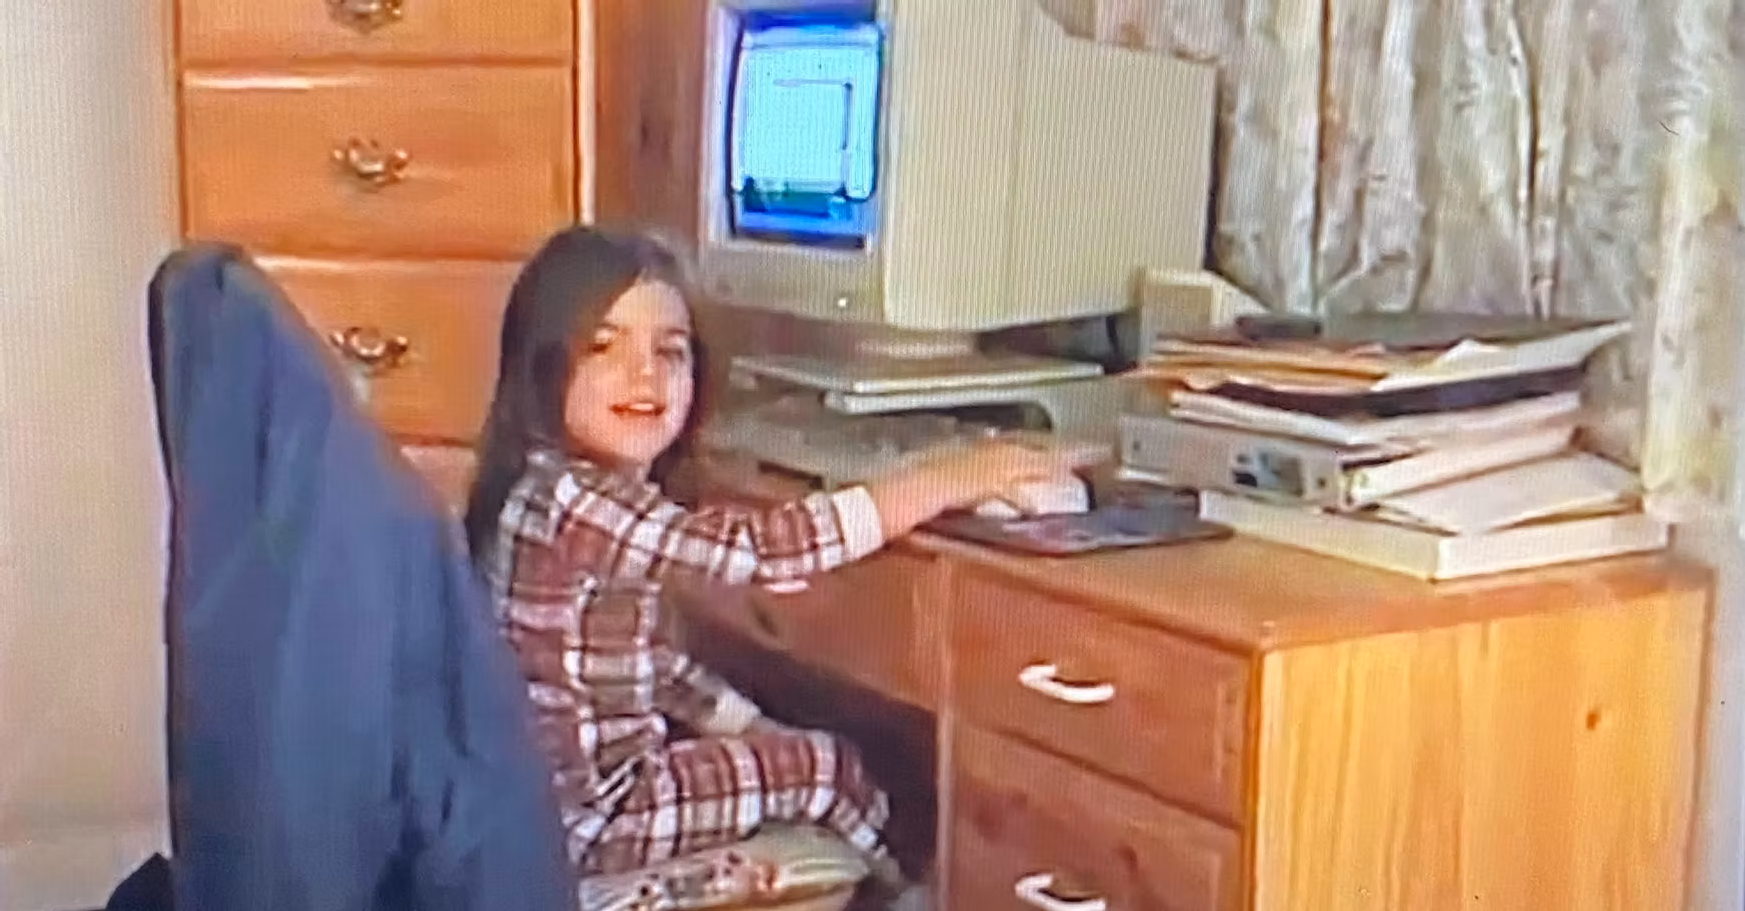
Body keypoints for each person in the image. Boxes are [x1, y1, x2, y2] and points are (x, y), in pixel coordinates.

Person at [462, 226, 1099, 894]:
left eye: (670, 352)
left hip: (553, 813)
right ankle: (918, 897)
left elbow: (651, 665)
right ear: (542, 366)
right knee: (828, 767)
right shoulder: (577, 500)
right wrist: (948, 478)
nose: (644, 375)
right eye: (603, 348)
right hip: (596, 822)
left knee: (794, 750)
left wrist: (751, 729)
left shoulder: (540, 487)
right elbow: (756, 552)